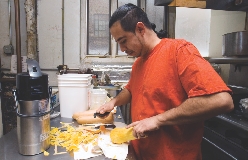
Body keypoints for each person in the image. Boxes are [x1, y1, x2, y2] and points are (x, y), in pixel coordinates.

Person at [96, 3, 234, 160]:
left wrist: (157, 120)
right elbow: (131, 90)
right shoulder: (138, 63)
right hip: (143, 154)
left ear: (140, 29)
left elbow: (222, 100)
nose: (121, 49)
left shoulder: (179, 51)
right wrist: (113, 102)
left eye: (123, 41)